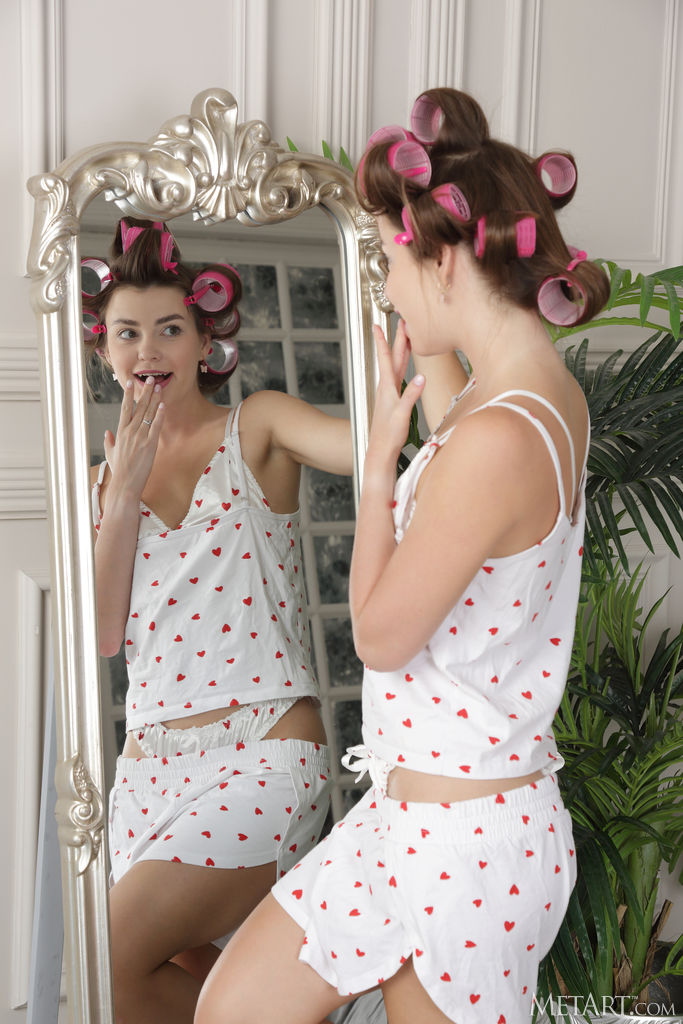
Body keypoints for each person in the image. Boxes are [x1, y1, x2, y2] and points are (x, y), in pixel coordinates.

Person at [194, 87, 610, 1024]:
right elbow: (454, 394)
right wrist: (423, 375)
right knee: (233, 1009)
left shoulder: (499, 438)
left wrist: (378, 469)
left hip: (466, 849)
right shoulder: (530, 396)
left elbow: (380, 637)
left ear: (451, 257)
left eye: (390, 258)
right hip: (412, 821)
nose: (386, 283)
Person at [82, 217, 353, 1024]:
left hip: (265, 750)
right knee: (163, 991)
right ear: (104, 352)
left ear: (206, 342)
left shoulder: (256, 424)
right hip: (148, 772)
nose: (148, 349)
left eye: (171, 328)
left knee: (106, 965)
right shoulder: (103, 483)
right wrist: (121, 495)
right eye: (127, 333)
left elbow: (367, 445)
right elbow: (102, 637)